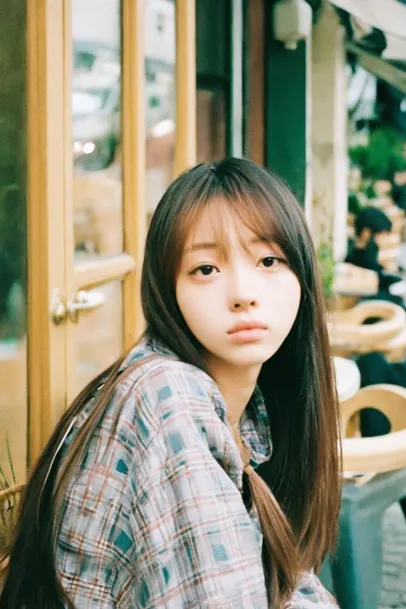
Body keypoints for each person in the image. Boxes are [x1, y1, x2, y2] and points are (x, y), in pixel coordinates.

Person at [0, 158, 340, 608]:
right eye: (205, 269)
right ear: (168, 289)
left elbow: (286, 577)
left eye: (268, 260)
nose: (243, 292)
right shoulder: (166, 396)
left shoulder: (249, 405)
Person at [345, 207, 406, 325]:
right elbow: (375, 278)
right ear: (366, 233)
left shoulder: (370, 248)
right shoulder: (360, 255)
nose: (383, 239)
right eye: (381, 234)